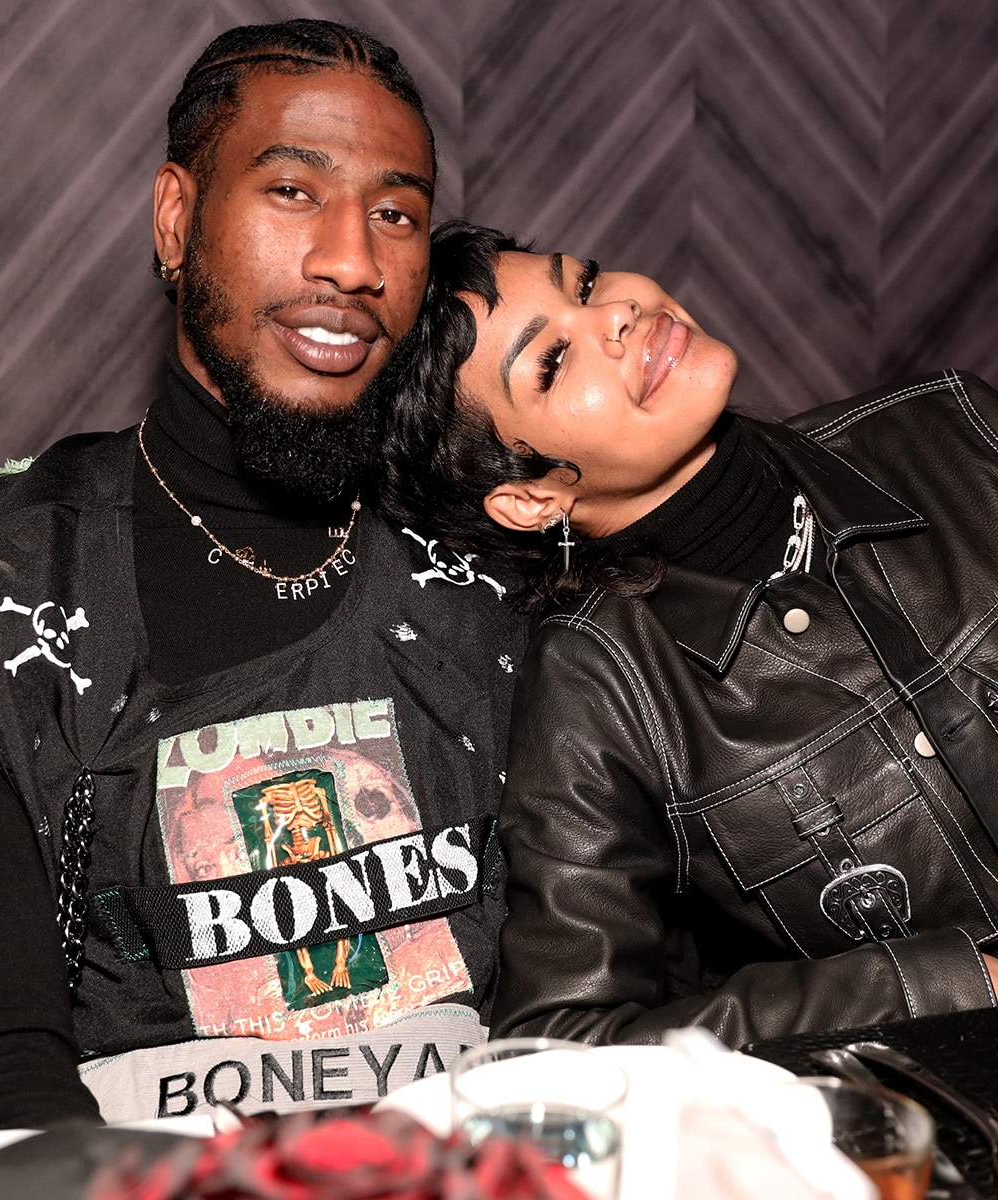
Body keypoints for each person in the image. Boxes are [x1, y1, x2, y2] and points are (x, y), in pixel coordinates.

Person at [0, 24, 523, 1146]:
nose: (353, 260)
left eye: (397, 213)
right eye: (293, 191)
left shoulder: (488, 569)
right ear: (175, 220)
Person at [380, 220, 998, 1050]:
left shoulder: (950, 430)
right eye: (553, 360)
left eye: (585, 283)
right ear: (531, 498)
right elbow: (563, 1036)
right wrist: (950, 983)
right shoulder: (599, 684)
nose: (618, 313)